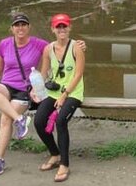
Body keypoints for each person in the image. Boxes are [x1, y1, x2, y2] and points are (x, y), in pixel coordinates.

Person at [0, 13, 47, 176]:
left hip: (25, 90)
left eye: (23, 24)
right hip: (6, 85)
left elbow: (60, 48)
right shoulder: (4, 44)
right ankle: (20, 120)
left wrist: (79, 45)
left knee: (5, 118)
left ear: (29, 27)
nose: (20, 28)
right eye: (17, 25)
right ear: (11, 28)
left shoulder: (39, 44)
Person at [33, 13, 85, 183]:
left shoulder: (76, 47)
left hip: (73, 92)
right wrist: (36, 89)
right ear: (53, 29)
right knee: (39, 121)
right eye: (58, 27)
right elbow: (44, 72)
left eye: (64, 26)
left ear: (70, 28)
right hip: (54, 92)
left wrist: (65, 95)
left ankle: (65, 164)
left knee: (60, 121)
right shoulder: (48, 49)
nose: (61, 29)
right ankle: (54, 154)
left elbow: (78, 74)